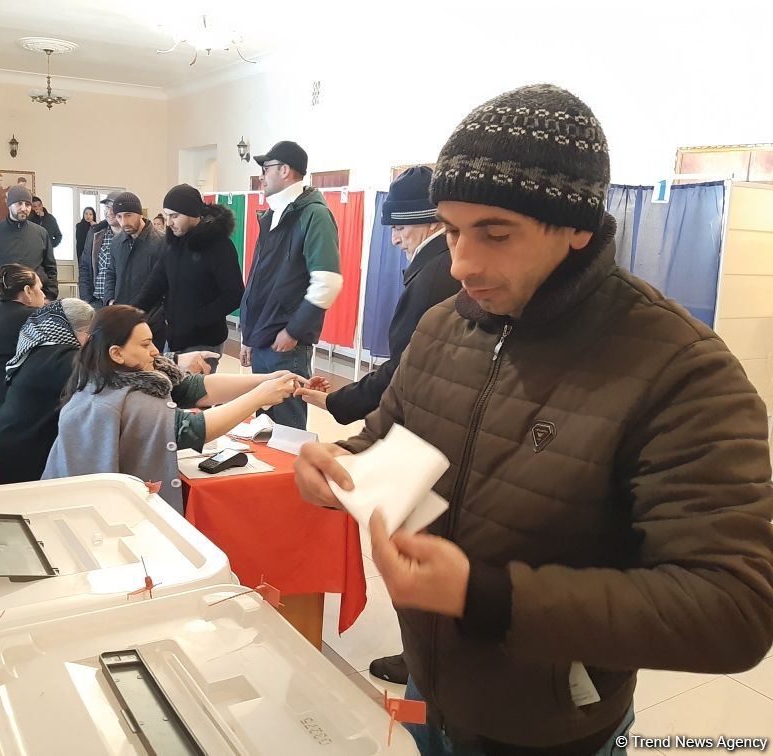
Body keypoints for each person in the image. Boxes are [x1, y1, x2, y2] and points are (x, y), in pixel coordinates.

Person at [293, 84, 773, 755]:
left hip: (553, 727)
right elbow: (395, 439)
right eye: (452, 231)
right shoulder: (442, 326)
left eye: (495, 232)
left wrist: (488, 596)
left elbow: (734, 610)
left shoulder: (682, 372)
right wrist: (343, 461)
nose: (462, 264)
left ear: (577, 228)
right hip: (433, 688)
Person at [297, 165, 459, 686]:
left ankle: (424, 659)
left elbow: (405, 370)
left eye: (399, 226)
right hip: (430, 428)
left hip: (427, 437)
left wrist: (342, 402)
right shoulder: (437, 268)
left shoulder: (437, 273)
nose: (392, 237)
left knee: (418, 543)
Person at [43, 305, 303, 513]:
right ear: (117, 353)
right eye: (145, 345)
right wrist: (258, 397)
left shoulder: (106, 378)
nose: (155, 351)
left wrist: (264, 379)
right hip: (95, 512)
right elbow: (191, 430)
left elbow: (193, 388)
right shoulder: (123, 399)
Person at [240, 140, 342, 429]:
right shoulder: (273, 214)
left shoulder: (314, 214)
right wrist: (249, 334)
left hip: (286, 345)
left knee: (285, 430)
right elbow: (259, 281)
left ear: (285, 170)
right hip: (263, 340)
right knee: (263, 427)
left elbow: (328, 281)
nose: (262, 176)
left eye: (266, 168)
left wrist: (293, 330)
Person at [134, 184, 244, 373]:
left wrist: (194, 320)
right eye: (166, 215)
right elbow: (155, 283)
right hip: (174, 338)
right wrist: (130, 313)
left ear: (194, 214)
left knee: (194, 398)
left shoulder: (218, 245)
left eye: (175, 216)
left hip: (204, 341)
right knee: (173, 395)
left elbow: (234, 294)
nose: (168, 222)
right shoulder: (173, 243)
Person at [0, 298, 94, 484]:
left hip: (11, 451)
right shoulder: (63, 358)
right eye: (89, 334)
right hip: (26, 462)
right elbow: (107, 380)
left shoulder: (39, 351)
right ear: (74, 330)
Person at [0, 264, 46, 428]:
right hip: (9, 403)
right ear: (28, 291)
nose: (44, 295)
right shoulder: (32, 317)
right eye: (40, 288)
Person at [103, 191, 167, 349]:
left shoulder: (161, 242)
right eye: (119, 216)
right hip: (122, 318)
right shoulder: (117, 242)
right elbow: (110, 273)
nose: (124, 222)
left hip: (152, 321)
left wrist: (159, 315)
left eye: (128, 215)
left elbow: (168, 282)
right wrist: (111, 300)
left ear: (139, 214)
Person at [0, 184, 58, 300]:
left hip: (37, 301)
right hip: (4, 301)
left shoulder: (41, 233)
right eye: (19, 203)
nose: (24, 208)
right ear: (9, 205)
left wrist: (49, 297)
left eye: (28, 204)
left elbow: (51, 269)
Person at [78, 200, 120, 307]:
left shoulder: (131, 236)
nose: (109, 212)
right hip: (96, 300)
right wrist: (86, 298)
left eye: (113, 208)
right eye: (107, 207)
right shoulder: (96, 233)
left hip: (120, 302)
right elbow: (85, 266)